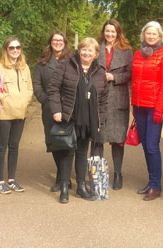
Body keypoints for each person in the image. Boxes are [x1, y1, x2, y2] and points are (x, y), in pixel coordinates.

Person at [48, 37, 109, 203]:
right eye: (84, 49)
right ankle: (64, 188)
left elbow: (103, 98)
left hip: (89, 120)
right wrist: (56, 110)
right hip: (69, 117)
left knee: (82, 152)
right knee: (67, 152)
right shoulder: (66, 65)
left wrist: (100, 119)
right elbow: (53, 89)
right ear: (79, 50)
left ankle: (81, 187)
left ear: (96, 54)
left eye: (90, 50)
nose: (86, 53)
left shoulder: (100, 71)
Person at [131, 21, 163, 201]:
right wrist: (134, 105)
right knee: (145, 147)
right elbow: (134, 81)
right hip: (139, 107)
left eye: (154, 34)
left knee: (152, 146)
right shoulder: (137, 54)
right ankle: (151, 181)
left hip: (153, 108)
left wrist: (160, 109)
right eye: (147, 33)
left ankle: (156, 186)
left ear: (160, 36)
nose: (150, 36)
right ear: (143, 35)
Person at [0, 36, 34, 194]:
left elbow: (30, 89)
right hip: (4, 113)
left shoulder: (24, 67)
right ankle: (0, 181)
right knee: (2, 147)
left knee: (14, 147)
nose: (15, 50)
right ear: (6, 49)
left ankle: (11, 179)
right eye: (11, 48)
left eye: (17, 47)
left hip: (21, 113)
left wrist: (25, 100)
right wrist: (5, 99)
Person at [93, 19, 133, 190]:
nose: (110, 34)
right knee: (97, 139)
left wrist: (115, 77)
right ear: (104, 32)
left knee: (117, 140)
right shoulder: (95, 48)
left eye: (113, 31)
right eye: (107, 31)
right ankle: (97, 175)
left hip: (118, 99)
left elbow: (131, 73)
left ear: (118, 33)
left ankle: (117, 173)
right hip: (98, 99)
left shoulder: (126, 51)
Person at [32, 30, 72, 192]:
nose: (57, 43)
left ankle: (63, 179)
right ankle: (63, 177)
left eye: (60, 40)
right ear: (50, 43)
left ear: (65, 43)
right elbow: (37, 85)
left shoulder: (72, 61)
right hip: (49, 108)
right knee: (54, 142)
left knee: (68, 142)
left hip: (69, 108)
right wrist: (45, 100)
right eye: (55, 40)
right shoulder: (41, 64)